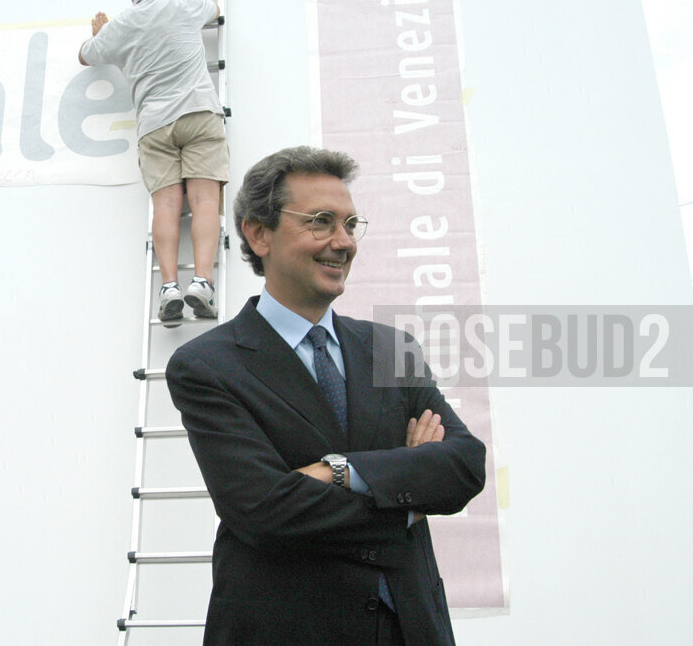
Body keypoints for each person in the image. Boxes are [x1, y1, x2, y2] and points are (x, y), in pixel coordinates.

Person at [166, 146, 486, 645]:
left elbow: (464, 465)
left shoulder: (390, 348)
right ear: (258, 233)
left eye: (351, 224)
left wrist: (340, 472)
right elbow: (265, 512)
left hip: (410, 628)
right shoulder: (207, 366)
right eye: (321, 221)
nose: (344, 242)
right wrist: (407, 492)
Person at [79, 0, 229, 322]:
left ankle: (169, 287)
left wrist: (102, 33)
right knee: (205, 200)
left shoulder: (122, 24)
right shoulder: (183, 3)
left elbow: (86, 55)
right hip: (198, 112)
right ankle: (203, 283)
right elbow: (216, 9)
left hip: (154, 125)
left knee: (166, 208)